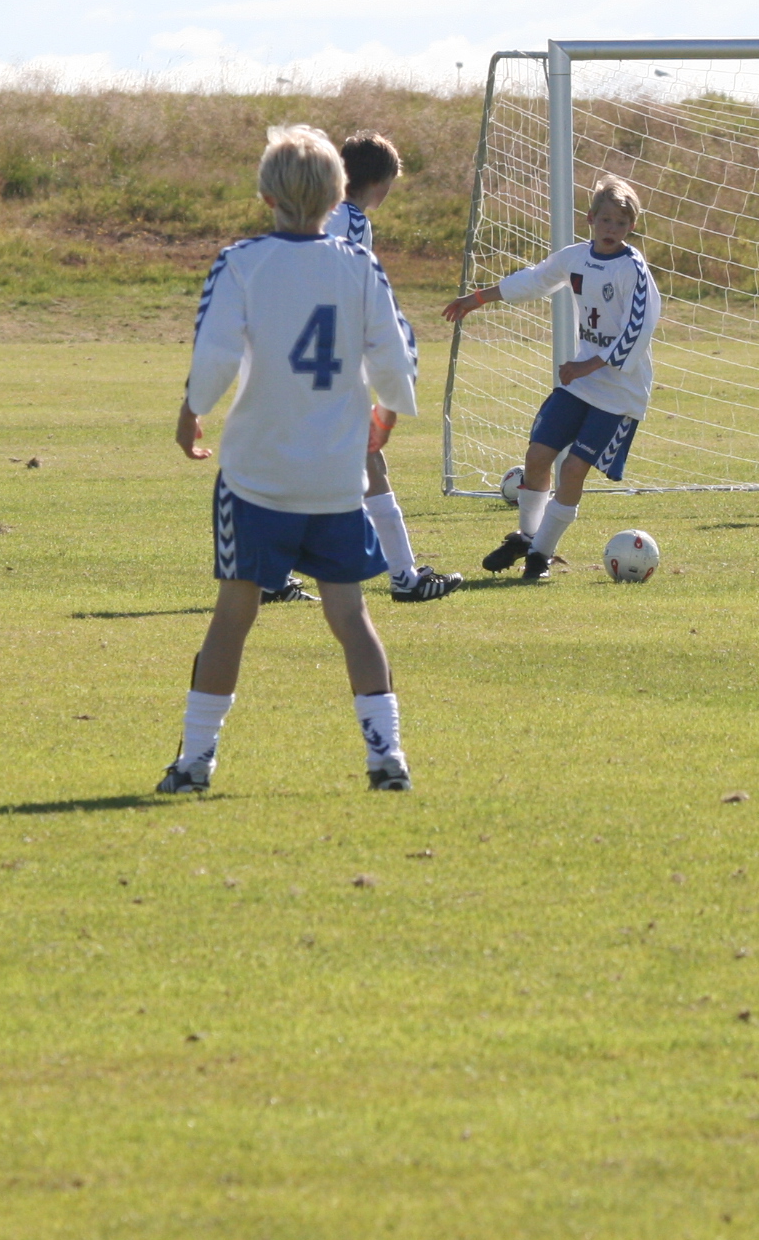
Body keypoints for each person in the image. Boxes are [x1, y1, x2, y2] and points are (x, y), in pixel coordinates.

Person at [160, 127, 420, 794]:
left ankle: (195, 763)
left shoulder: (241, 262)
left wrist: (192, 410)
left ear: (266, 196)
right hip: (335, 479)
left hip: (256, 477)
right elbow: (394, 353)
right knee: (351, 617)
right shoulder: (359, 264)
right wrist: (389, 410)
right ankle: (386, 756)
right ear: (338, 196)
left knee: (233, 616)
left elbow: (216, 351)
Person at [440, 175, 657, 583]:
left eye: (621, 223)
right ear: (590, 218)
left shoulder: (633, 270)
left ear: (631, 227)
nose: (612, 229)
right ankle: (526, 538)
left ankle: (540, 555)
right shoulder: (575, 258)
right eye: (606, 220)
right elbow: (535, 280)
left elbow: (637, 330)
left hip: (619, 392)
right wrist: (478, 298)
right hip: (581, 382)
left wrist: (584, 366)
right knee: (538, 456)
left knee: (572, 470)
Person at [335, 132, 461, 605]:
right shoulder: (353, 221)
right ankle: (405, 576)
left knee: (306, 465)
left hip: (287, 357)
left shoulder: (312, 214)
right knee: (368, 460)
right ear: (381, 183)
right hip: (328, 361)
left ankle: (269, 577)